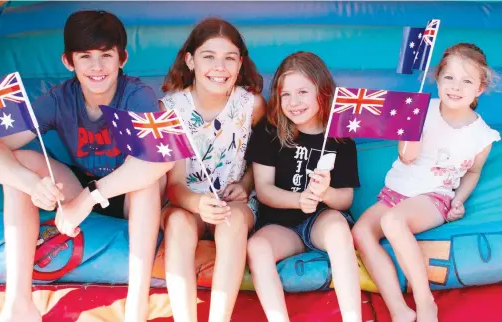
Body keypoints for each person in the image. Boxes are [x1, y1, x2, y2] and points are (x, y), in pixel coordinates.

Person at [0, 10, 173, 322]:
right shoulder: (60, 98)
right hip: (83, 181)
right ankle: (19, 304)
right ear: (69, 61)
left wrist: (87, 199)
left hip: (127, 193)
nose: (96, 67)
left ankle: (136, 308)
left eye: (106, 55)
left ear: (122, 58)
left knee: (145, 180)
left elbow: (161, 159)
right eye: (85, 56)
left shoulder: (135, 95)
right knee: (22, 161)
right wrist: (31, 184)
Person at [352, 43, 500, 322]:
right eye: (449, 77)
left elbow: (472, 173)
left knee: (393, 222)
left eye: (466, 81)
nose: (455, 87)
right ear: (438, 79)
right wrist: (412, 130)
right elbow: (406, 158)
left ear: (479, 88)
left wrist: (458, 200)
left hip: (433, 197)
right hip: (394, 193)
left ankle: (425, 301)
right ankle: (398, 308)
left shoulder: (482, 136)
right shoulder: (419, 109)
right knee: (360, 232)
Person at [159, 18, 266, 322]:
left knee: (231, 222)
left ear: (240, 63)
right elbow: (175, 184)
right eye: (209, 56)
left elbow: (265, 156)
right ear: (190, 60)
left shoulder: (252, 105)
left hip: (234, 203)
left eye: (229, 58)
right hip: (187, 203)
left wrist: (245, 184)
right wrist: (197, 204)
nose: (220, 66)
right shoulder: (171, 110)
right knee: (178, 223)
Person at [245, 51, 362, 322]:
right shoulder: (270, 131)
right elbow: (264, 189)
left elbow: (345, 199)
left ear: (321, 92)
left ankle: (352, 317)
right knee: (257, 248)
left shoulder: (339, 137)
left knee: (338, 229)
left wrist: (326, 193)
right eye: (286, 94)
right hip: (280, 225)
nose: (294, 102)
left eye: (302, 92)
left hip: (320, 220)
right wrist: (299, 200)